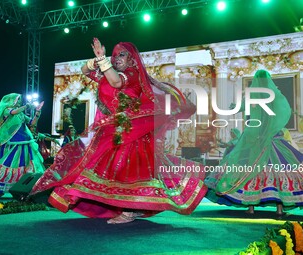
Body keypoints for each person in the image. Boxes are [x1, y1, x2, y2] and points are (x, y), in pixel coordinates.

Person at [30, 38, 207, 224]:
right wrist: (97, 60)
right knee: (111, 166)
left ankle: (130, 210)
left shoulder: (132, 75)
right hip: (118, 128)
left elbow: (115, 83)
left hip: (133, 130)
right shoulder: (111, 73)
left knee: (127, 169)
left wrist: (103, 61)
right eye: (114, 56)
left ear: (132, 59)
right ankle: (133, 206)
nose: (116, 59)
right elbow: (86, 71)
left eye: (122, 55)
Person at [205, 70, 303, 216]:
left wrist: (234, 107)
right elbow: (286, 111)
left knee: (249, 170)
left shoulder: (252, 96)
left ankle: (250, 207)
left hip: (255, 140)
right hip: (274, 140)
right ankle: (279, 208)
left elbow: (237, 108)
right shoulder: (276, 96)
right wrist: (273, 128)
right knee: (278, 172)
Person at [0, 93, 46, 197]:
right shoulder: (6, 110)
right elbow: (13, 112)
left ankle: (26, 187)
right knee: (10, 163)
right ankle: (0, 187)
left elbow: (32, 123)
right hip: (12, 142)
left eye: (20, 100)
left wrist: (38, 112)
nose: (19, 101)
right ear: (11, 100)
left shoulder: (21, 114)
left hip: (26, 141)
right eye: (17, 99)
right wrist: (26, 106)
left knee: (27, 164)